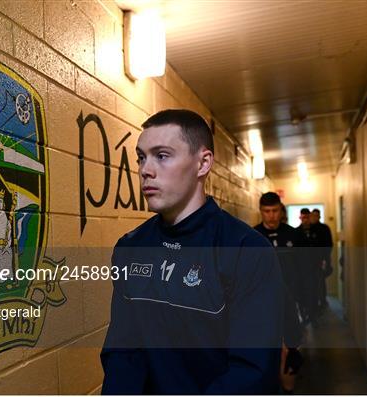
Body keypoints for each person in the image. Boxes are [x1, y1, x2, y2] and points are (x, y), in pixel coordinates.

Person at [100, 109, 284, 394]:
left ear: (203, 163)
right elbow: (123, 352)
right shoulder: (130, 248)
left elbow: (252, 371)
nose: (146, 170)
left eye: (162, 155)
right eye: (141, 157)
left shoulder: (246, 250)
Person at [254, 192, 305, 393]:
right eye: (267, 211)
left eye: (275, 211)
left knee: (290, 353)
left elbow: (304, 270)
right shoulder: (253, 236)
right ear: (261, 212)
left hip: (292, 302)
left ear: (280, 210)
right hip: (265, 304)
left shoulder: (294, 235)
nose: (271, 216)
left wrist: (304, 300)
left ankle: (287, 390)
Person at [297, 208, 321, 326]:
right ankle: (305, 314)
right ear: (300, 218)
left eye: (307, 217)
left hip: (314, 266)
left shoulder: (317, 231)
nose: (305, 220)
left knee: (314, 292)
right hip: (301, 268)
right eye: (304, 217)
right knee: (302, 292)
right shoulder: (296, 233)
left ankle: (313, 315)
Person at [310, 209, 333, 309]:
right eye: (313, 215)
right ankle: (314, 301)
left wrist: (325, 259)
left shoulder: (324, 228)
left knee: (321, 280)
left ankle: (322, 300)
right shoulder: (308, 228)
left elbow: (329, 244)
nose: (314, 217)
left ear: (319, 217)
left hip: (321, 259)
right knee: (312, 281)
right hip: (310, 261)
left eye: (316, 216)